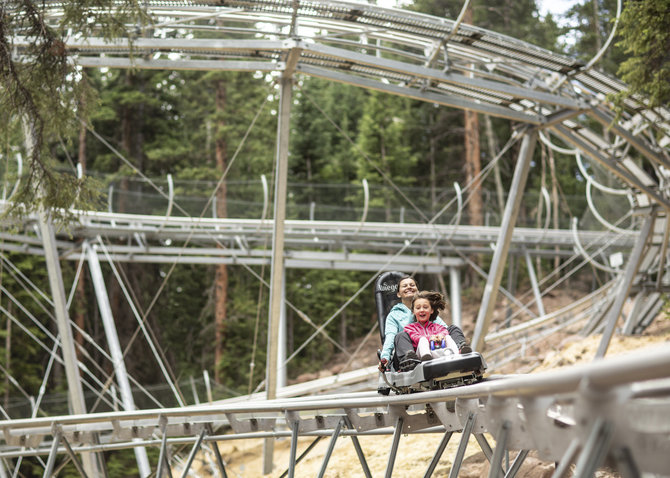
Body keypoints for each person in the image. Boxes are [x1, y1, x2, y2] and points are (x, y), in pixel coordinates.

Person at [378, 274, 471, 372]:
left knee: (452, 329)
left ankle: (461, 348)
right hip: (411, 352)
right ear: (398, 294)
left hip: (434, 347)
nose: (409, 287)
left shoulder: (426, 312)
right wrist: (385, 358)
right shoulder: (394, 315)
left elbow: (444, 329)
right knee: (401, 335)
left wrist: (441, 336)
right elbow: (389, 339)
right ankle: (410, 360)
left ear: (417, 290)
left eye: (412, 285)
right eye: (405, 286)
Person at [404, 290, 459, 361]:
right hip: (421, 355)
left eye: (425, 307)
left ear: (431, 310)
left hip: (438, 352)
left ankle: (457, 354)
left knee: (447, 337)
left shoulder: (437, 326)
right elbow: (415, 337)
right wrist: (430, 338)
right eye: (418, 308)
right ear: (413, 311)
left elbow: (444, 331)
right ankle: (426, 357)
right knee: (422, 339)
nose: (422, 310)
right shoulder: (410, 328)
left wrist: (441, 336)